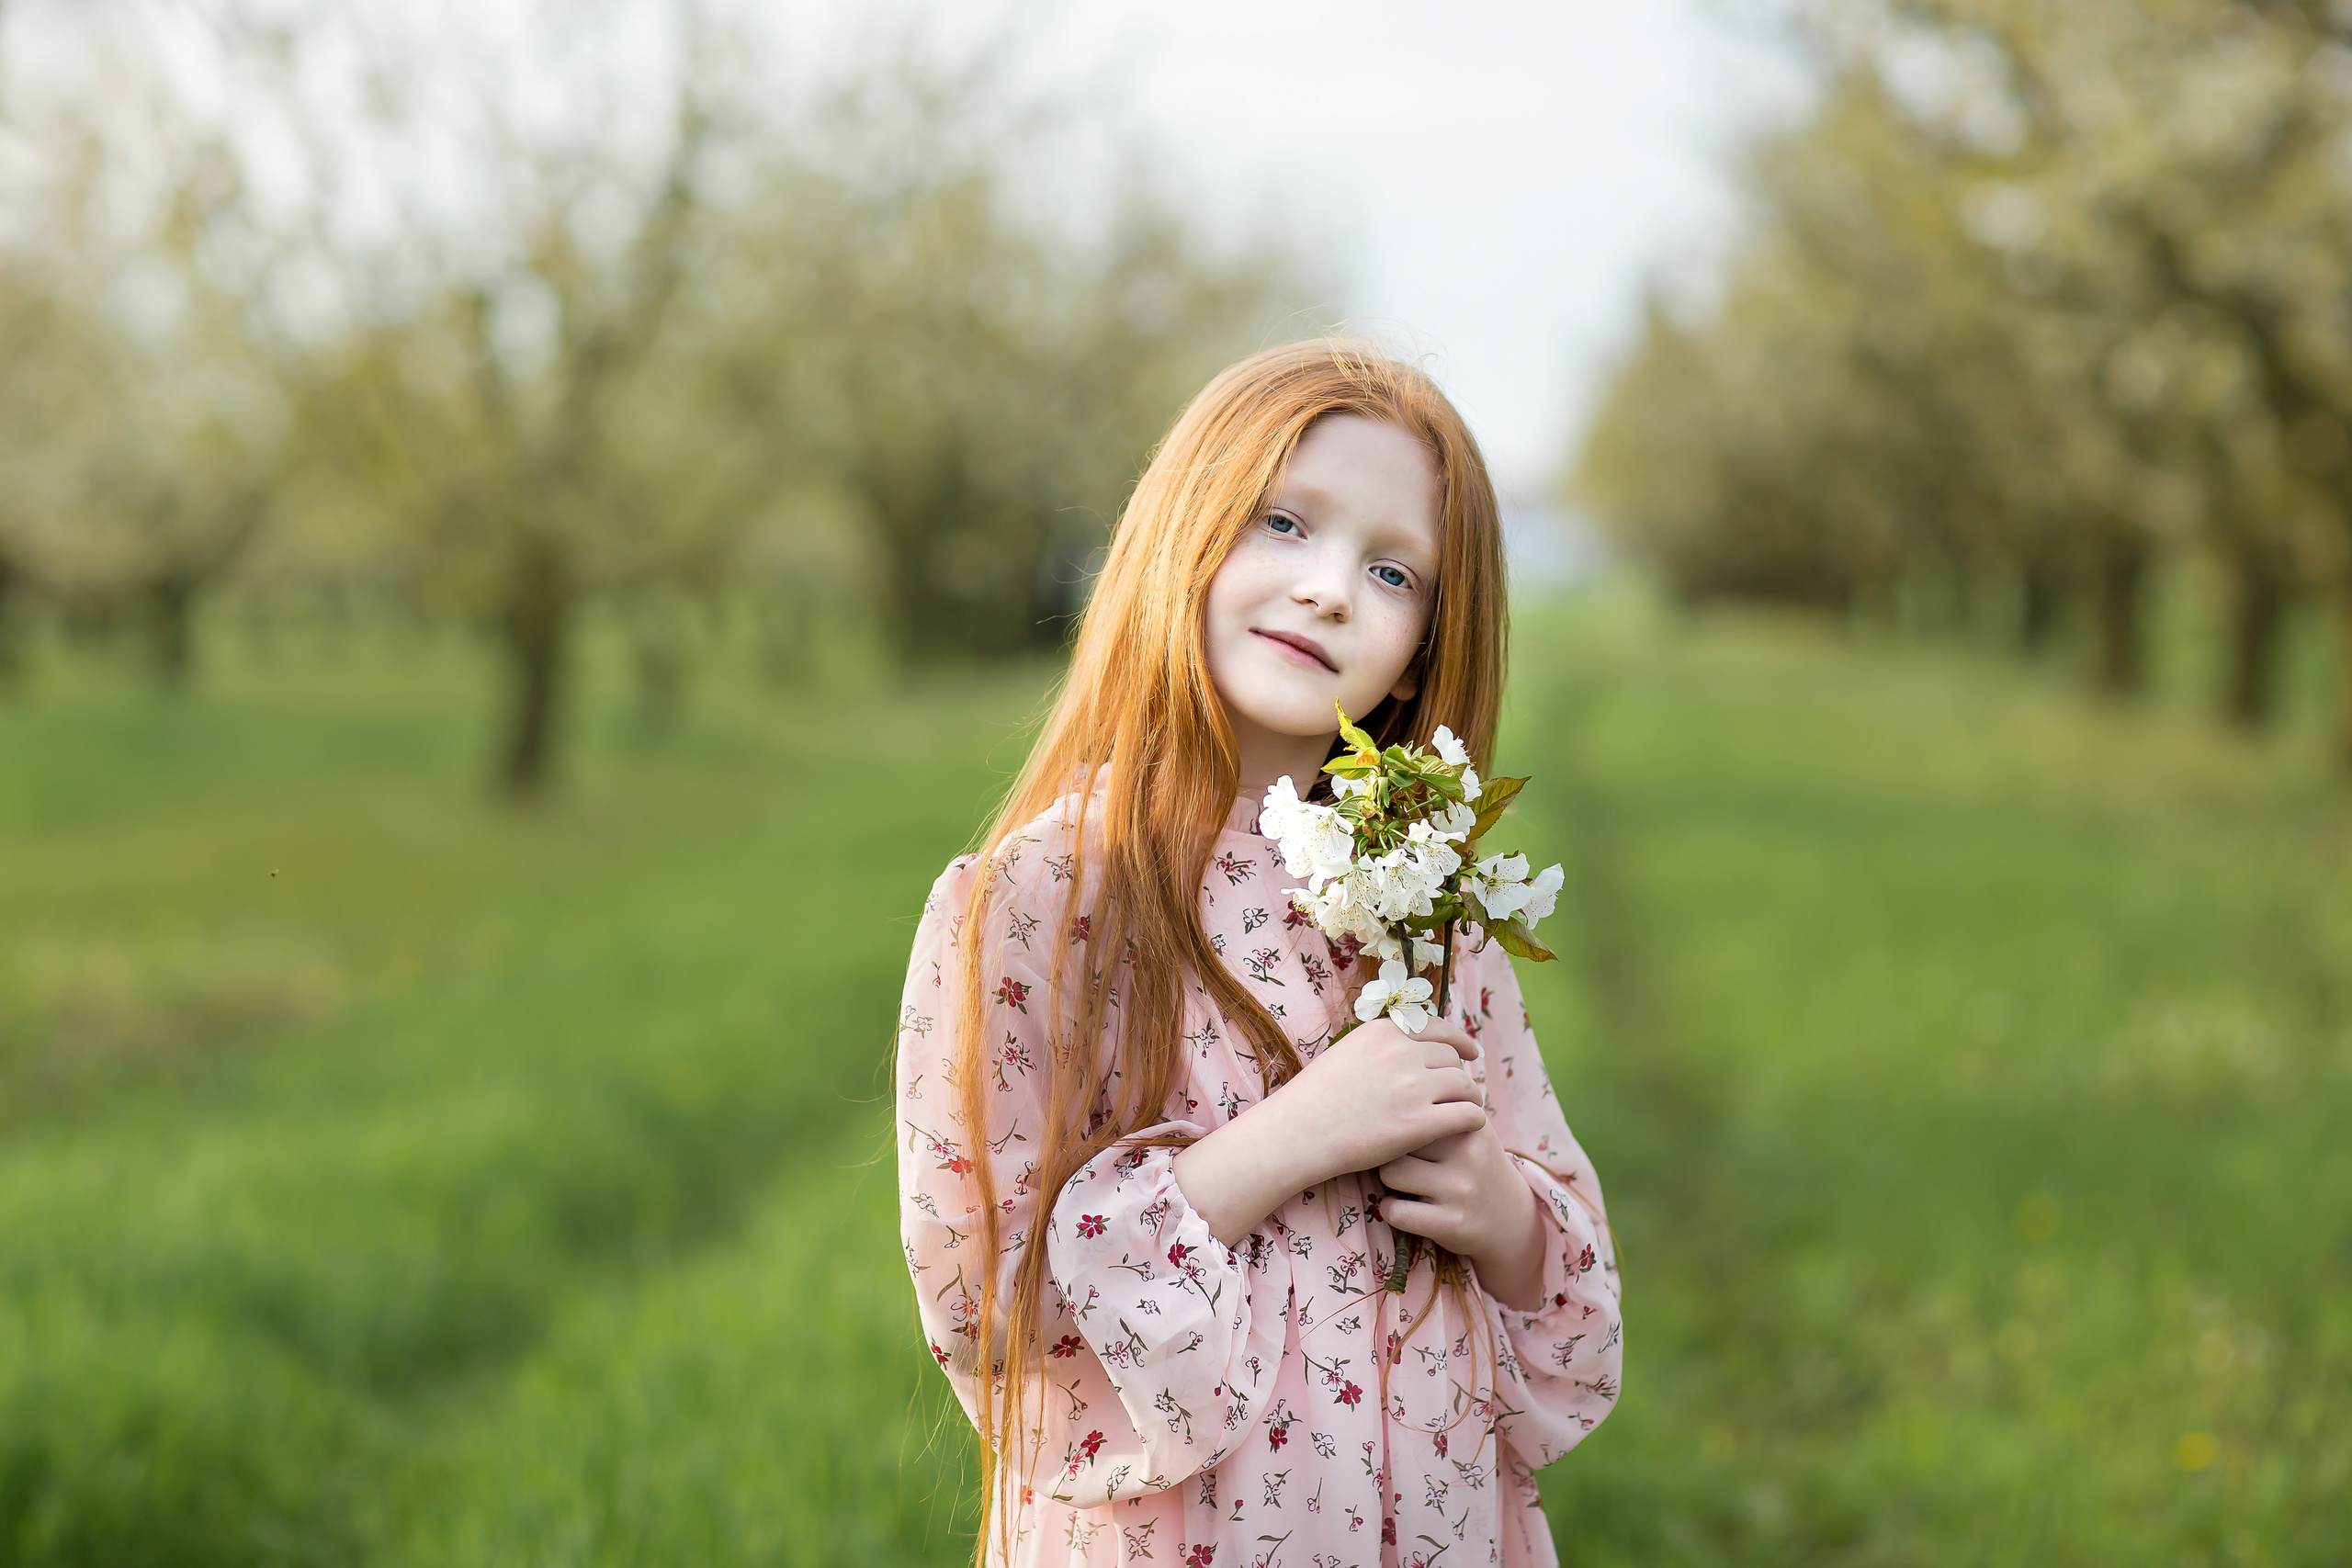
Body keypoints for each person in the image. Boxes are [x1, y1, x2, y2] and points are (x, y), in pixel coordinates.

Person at [895, 340, 1620, 1567]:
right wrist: (1294, 1138)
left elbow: (1575, 1300)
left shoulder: (1432, 916)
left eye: (1392, 570)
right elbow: (991, 1308)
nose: (1331, 589)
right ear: (1191, 525)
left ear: (1422, 650)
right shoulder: (1042, 902)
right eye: (1285, 523)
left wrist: (1501, 1214)